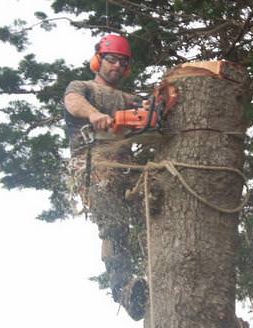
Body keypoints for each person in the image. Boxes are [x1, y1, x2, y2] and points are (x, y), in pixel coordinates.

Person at [64, 34, 147, 321]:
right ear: (99, 60)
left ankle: (158, 269)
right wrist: (94, 114)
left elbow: (151, 116)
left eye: (122, 63)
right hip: (93, 165)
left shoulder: (131, 99)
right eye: (111, 60)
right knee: (114, 224)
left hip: (128, 168)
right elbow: (73, 103)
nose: (115, 66)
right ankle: (123, 287)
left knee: (152, 213)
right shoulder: (82, 87)